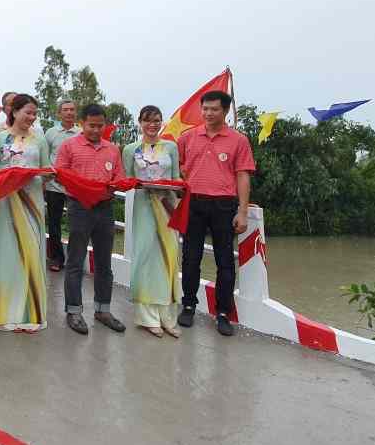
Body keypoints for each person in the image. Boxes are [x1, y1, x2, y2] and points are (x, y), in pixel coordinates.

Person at [177, 90, 255, 337]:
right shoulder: (187, 138)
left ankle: (223, 313)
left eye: (214, 109)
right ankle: (188, 305)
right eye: (205, 109)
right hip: (193, 204)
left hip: (224, 205)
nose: (209, 113)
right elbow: (176, 166)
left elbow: (243, 175)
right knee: (190, 258)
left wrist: (243, 211)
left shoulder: (238, 140)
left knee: (225, 261)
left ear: (226, 111)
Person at [53, 103, 127, 335]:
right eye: (91, 125)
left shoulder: (112, 149)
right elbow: (60, 174)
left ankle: (103, 310)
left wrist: (111, 186)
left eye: (100, 126)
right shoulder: (69, 146)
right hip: (79, 207)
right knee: (76, 261)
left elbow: (119, 177)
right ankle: (74, 311)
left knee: (104, 262)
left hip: (105, 208)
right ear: (81, 124)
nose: (95, 130)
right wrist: (84, 189)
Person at [0, 94, 51, 332]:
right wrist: (10, 174)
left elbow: (46, 170)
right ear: (14, 112)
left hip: (32, 203)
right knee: (8, 253)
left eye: (34, 113)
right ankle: (4, 315)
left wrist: (38, 174)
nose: (32, 117)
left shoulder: (40, 140)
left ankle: (32, 314)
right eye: (28, 112)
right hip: (7, 202)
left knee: (32, 253)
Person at [123, 105, 183, 338]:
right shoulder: (130, 149)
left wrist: (178, 188)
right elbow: (127, 179)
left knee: (169, 258)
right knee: (145, 256)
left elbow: (176, 176)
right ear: (140, 122)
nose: (152, 124)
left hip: (167, 205)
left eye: (157, 120)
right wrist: (140, 185)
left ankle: (168, 318)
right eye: (147, 120)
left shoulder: (171, 147)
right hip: (144, 206)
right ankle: (148, 318)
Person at [43, 100, 80, 272]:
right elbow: (45, 156)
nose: (69, 112)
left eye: (72, 109)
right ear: (59, 113)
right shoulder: (51, 133)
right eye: (65, 110)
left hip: (75, 187)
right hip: (54, 186)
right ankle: (56, 258)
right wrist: (44, 181)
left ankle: (75, 260)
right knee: (54, 224)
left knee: (76, 225)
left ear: (76, 112)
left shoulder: (81, 133)